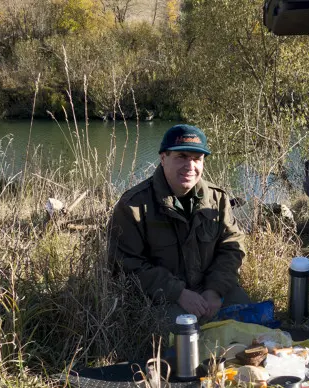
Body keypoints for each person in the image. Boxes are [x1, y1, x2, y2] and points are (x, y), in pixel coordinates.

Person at [107, 124, 251, 327]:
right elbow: (124, 264)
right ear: (163, 158)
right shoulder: (133, 205)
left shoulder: (217, 198)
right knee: (185, 336)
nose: (190, 166)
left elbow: (232, 246)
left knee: (248, 322)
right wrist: (178, 293)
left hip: (208, 288)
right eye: (181, 156)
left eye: (196, 159)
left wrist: (215, 289)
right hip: (161, 297)